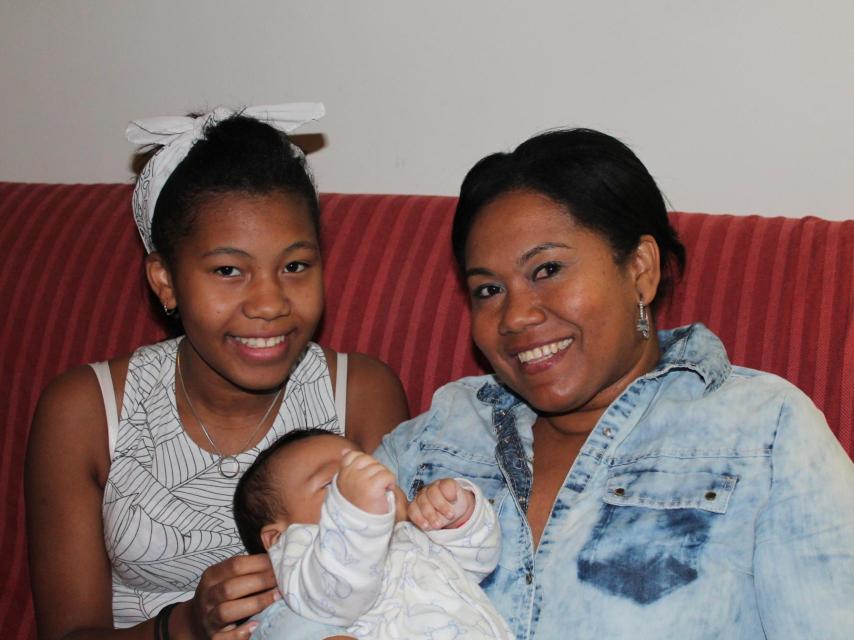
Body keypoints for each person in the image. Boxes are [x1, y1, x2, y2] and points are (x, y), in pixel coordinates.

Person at [258, 127, 854, 638]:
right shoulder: (434, 437)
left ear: (639, 269)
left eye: (548, 270)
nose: (515, 316)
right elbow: (303, 590)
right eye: (488, 289)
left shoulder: (764, 429)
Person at [25, 104, 410, 640]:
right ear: (165, 280)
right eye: (228, 271)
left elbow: (407, 576)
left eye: (295, 266)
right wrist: (181, 626)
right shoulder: (85, 410)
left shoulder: (361, 395)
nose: (270, 302)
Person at [232, 428, 512, 639]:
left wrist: (458, 514)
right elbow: (336, 593)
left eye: (373, 469)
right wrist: (356, 512)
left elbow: (479, 561)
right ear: (278, 540)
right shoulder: (306, 565)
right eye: (334, 483)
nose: (372, 482)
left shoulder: (413, 535)